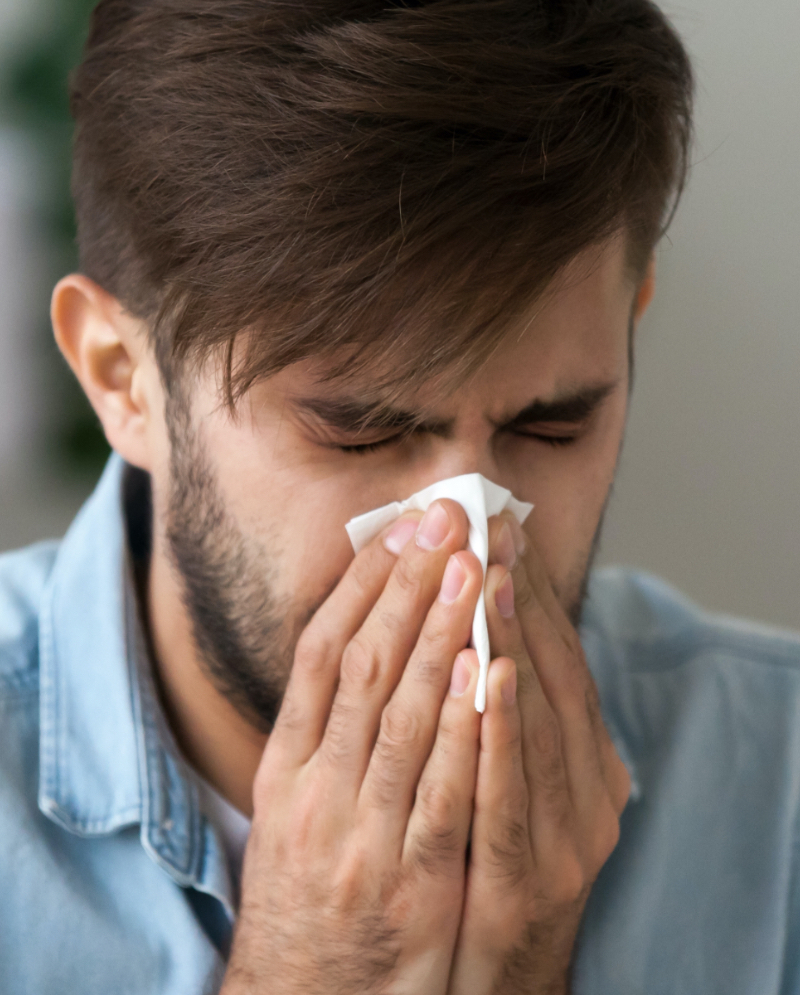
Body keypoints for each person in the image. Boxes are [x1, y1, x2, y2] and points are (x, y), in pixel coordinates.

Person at [1, 0, 798, 992]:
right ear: (124, 378)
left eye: (551, 424)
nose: (464, 539)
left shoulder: (779, 785)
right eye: (359, 430)